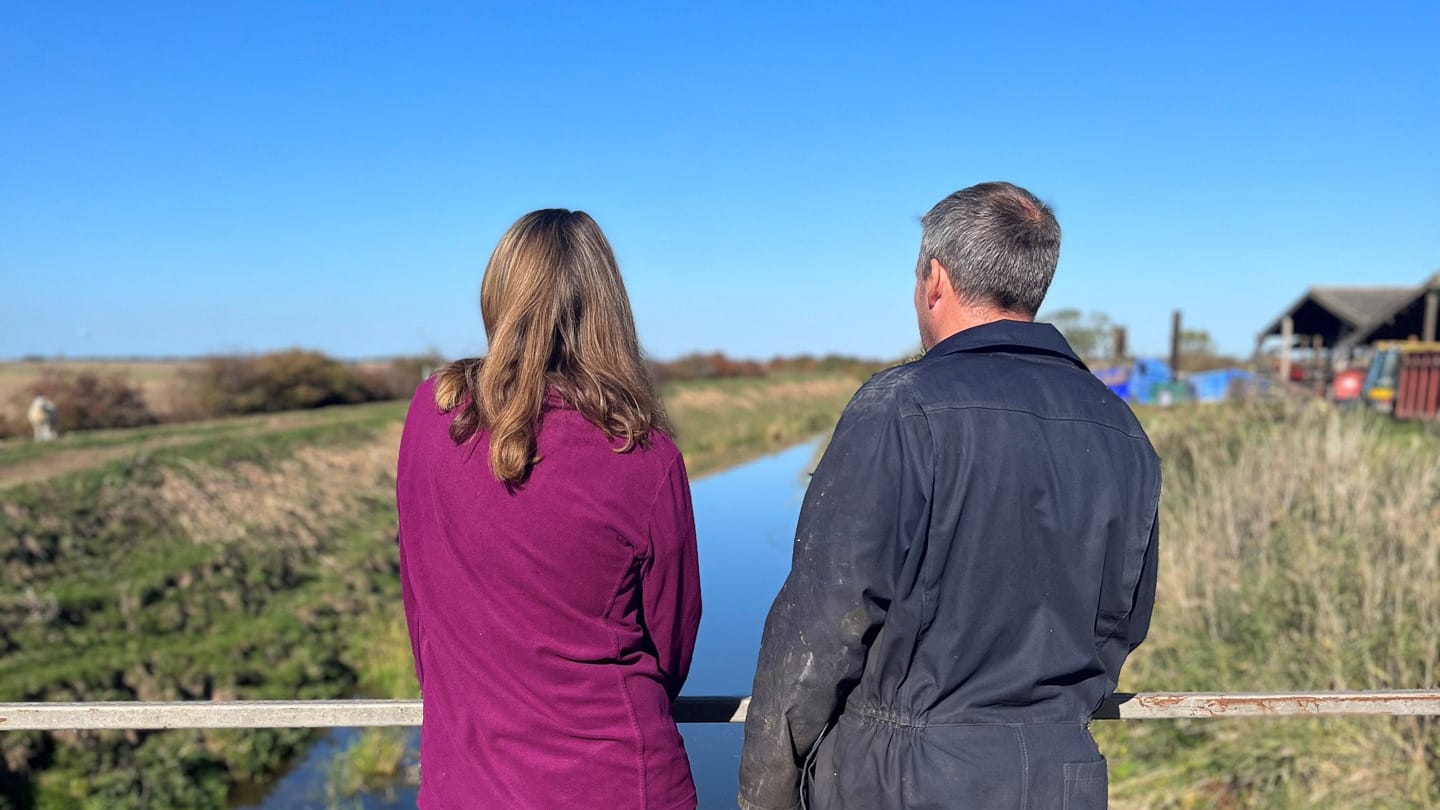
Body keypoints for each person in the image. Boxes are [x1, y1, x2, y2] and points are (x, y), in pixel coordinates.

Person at [737, 182, 1161, 810]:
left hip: (904, 781)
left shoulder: (900, 407)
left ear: (935, 279)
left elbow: (824, 623)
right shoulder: (1122, 429)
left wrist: (767, 794)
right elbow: (1123, 621)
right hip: (1061, 779)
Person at [396, 209, 702, 809]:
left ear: (498, 295)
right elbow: (671, 643)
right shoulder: (644, 455)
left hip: (465, 781)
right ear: (609, 310)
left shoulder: (432, 417)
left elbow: (419, 596)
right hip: (620, 782)